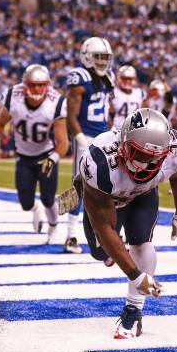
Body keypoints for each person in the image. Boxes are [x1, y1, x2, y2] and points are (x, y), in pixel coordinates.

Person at [76, 108, 177, 339]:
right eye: (139, 154)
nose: (145, 164)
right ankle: (81, 185)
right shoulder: (100, 161)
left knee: (143, 244)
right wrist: (136, 276)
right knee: (101, 251)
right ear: (123, 143)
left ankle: (133, 309)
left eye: (153, 157)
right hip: (108, 197)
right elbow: (104, 226)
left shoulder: (176, 150)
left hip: (142, 196)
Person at [0, 64, 68, 244]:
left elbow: (63, 142)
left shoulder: (56, 103)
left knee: (48, 198)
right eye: (33, 84)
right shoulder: (13, 97)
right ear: (25, 85)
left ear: (47, 84)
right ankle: (35, 209)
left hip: (46, 155)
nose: (37, 89)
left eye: (41, 85)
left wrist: (53, 159)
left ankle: (54, 228)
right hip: (23, 157)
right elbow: (0, 123)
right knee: (26, 203)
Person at [64, 37, 115, 253]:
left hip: (103, 137)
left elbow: (105, 111)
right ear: (87, 57)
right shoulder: (80, 77)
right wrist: (81, 140)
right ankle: (70, 235)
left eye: (105, 57)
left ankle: (104, 233)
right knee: (79, 186)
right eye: (98, 57)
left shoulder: (108, 78)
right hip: (85, 137)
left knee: (107, 187)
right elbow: (70, 116)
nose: (103, 61)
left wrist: (111, 133)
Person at [110, 65, 145, 130]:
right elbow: (109, 112)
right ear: (119, 78)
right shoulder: (112, 92)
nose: (127, 81)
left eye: (130, 79)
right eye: (124, 78)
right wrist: (111, 127)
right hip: (117, 128)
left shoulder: (140, 93)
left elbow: (144, 113)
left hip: (134, 129)